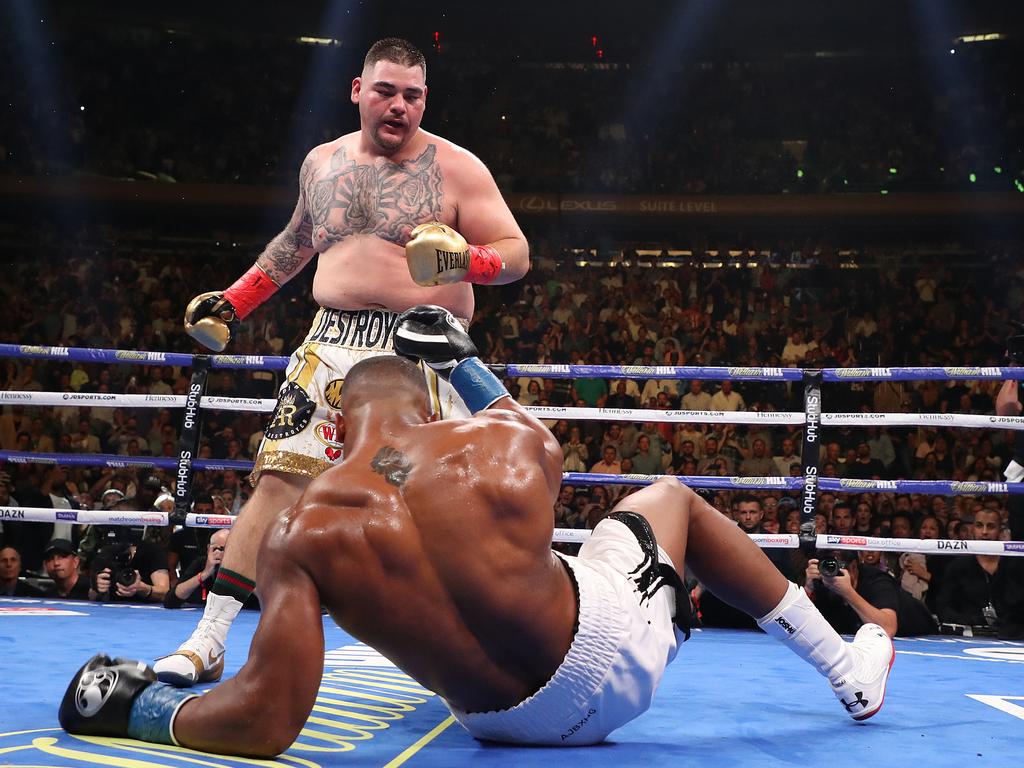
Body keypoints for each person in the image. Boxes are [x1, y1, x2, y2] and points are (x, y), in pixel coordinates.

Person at [62, 306, 893, 757]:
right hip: (612, 658)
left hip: (498, 724)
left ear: (338, 427)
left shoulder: (298, 536)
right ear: (426, 408)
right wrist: (463, 362)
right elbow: (527, 441)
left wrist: (138, 712)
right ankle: (846, 670)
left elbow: (267, 720)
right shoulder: (491, 444)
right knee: (672, 498)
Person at [159, 37, 529, 685]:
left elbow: (517, 253)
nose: (399, 106)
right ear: (359, 91)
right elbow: (296, 244)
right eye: (386, 90)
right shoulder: (320, 164)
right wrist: (235, 303)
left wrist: (466, 260)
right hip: (330, 344)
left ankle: (477, 648)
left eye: (412, 95)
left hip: (419, 352)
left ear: (425, 101)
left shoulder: (458, 169)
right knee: (279, 483)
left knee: (432, 507)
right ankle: (209, 639)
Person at [164, 529, 234, 609]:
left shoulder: (244, 566)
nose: (221, 554)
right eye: (218, 549)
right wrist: (205, 574)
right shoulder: (201, 563)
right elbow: (170, 601)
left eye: (227, 549)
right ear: (208, 549)